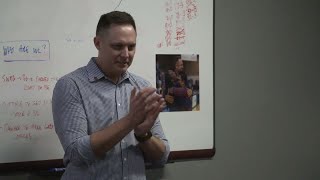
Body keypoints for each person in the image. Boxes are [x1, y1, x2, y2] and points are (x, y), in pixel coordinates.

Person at [52, 11, 170, 180]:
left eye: (131, 46)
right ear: (97, 43)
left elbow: (162, 157)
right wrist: (130, 121)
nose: (126, 54)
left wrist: (144, 135)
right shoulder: (71, 85)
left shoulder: (142, 87)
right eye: (117, 46)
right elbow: (76, 153)